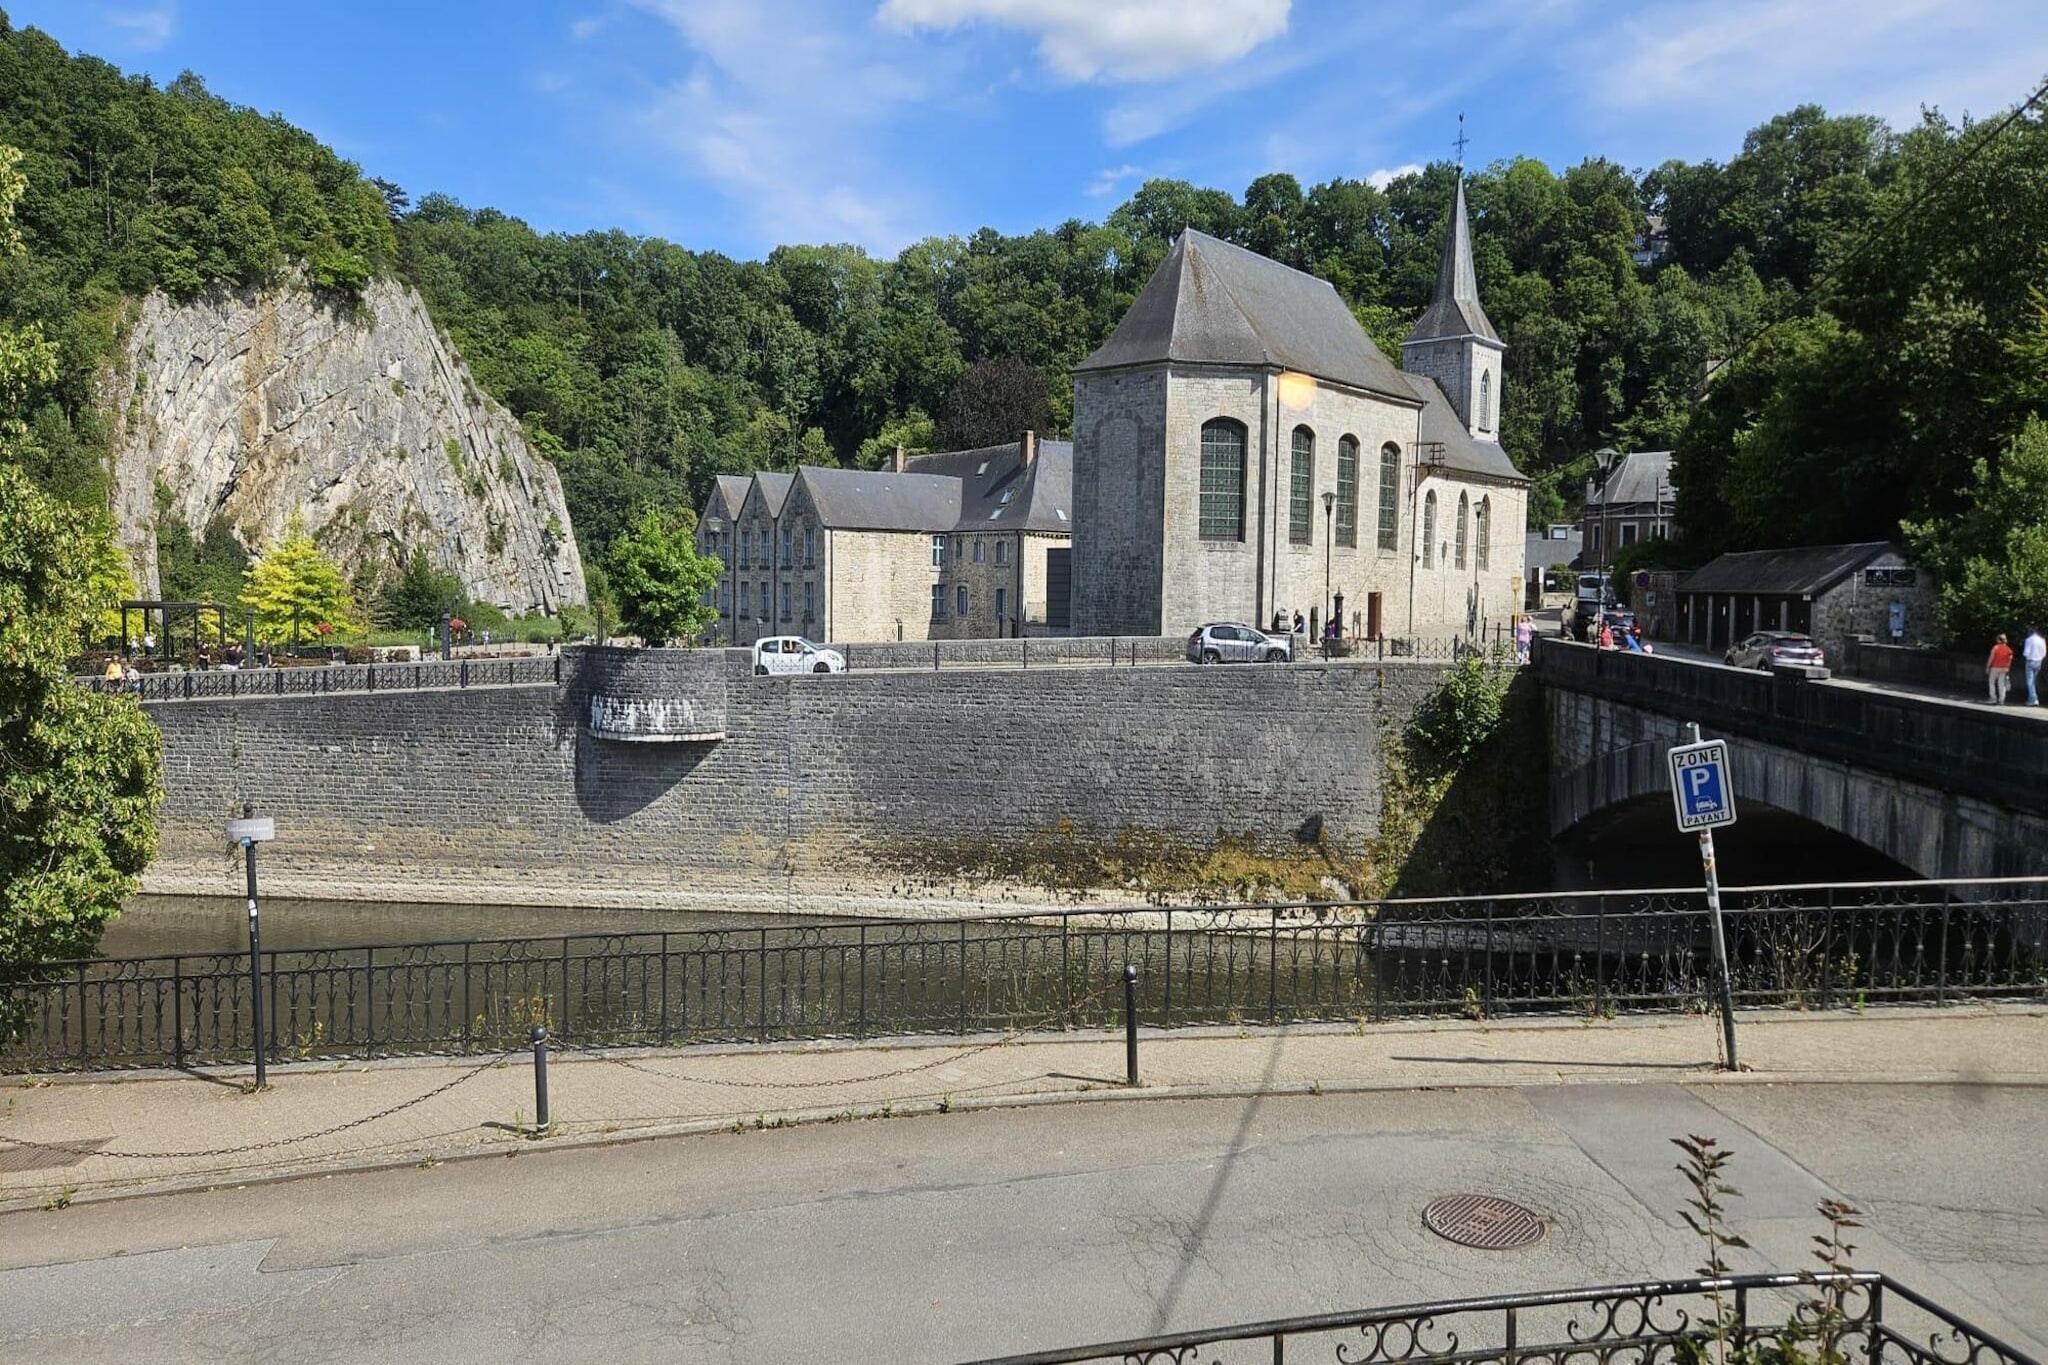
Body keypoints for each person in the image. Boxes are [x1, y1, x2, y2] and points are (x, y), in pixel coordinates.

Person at [1987, 633, 2015, 706]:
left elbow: (1991, 658)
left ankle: (1993, 698)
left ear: (1999, 640)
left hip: (1995, 667)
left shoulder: (1995, 648)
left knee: (1991, 682)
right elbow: (2010, 659)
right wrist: (2008, 668)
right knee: (2001, 684)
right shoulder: (2009, 650)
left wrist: (1987, 666)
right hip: (2004, 668)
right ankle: (2001, 700)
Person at [2023, 627, 2045, 706]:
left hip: (2030, 661)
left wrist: (2027, 657)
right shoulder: (2042, 640)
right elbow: (2044, 652)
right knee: (2033, 682)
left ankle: (2034, 698)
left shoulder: (2028, 640)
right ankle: (2030, 699)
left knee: (2029, 681)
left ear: (2030, 632)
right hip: (2039, 661)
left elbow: (2026, 652)